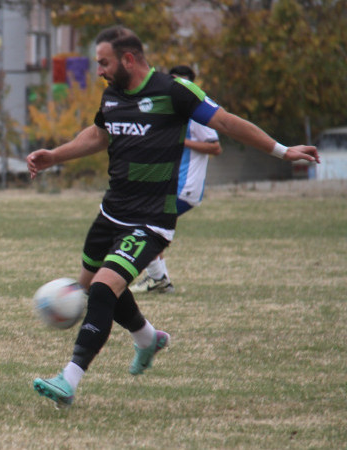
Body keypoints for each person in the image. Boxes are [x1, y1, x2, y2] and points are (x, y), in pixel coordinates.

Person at [26, 26, 318, 409]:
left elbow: (226, 123)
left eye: (104, 62)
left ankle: (68, 380)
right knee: (96, 288)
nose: (99, 70)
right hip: (110, 213)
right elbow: (98, 136)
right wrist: (55, 155)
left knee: (99, 290)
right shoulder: (113, 94)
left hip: (151, 219)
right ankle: (148, 339)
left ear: (128, 59)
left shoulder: (174, 91)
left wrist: (282, 150)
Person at [130, 64, 223, 294]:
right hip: (169, 185)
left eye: (183, 82)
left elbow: (215, 147)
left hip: (185, 187)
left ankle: (158, 278)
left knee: (144, 223)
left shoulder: (196, 115)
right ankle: (159, 280)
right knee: (149, 224)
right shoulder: (170, 112)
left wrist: (180, 141)